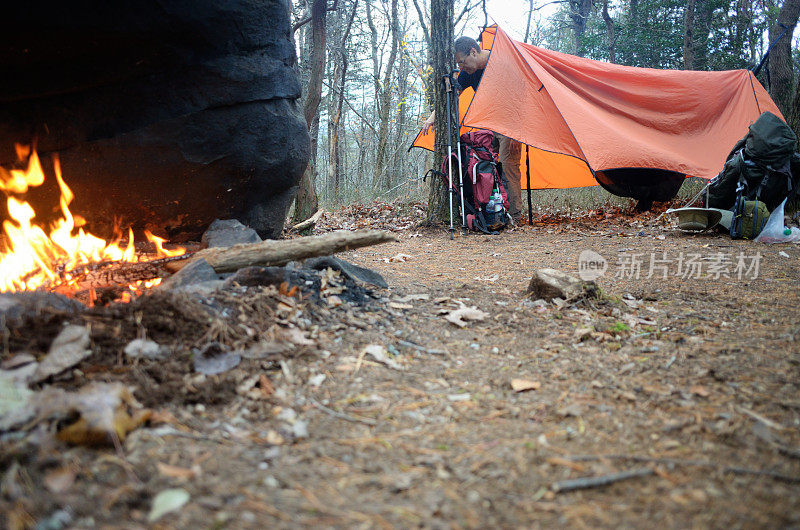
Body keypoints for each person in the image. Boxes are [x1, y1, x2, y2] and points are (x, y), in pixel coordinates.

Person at [422, 36, 523, 223]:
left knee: (508, 169)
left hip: (510, 125)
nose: (461, 67)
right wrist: (432, 117)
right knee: (485, 168)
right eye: (458, 63)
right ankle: (491, 213)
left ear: (474, 52)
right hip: (488, 125)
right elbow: (452, 97)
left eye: (462, 61)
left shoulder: (500, 61)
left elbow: (522, 92)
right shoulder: (468, 72)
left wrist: (519, 128)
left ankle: (514, 217)